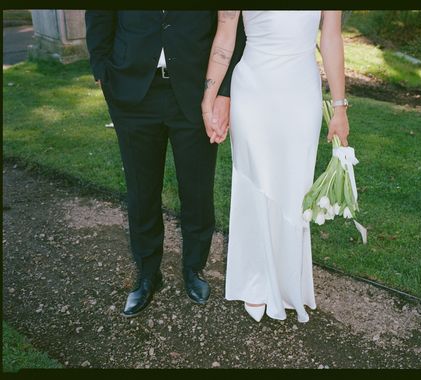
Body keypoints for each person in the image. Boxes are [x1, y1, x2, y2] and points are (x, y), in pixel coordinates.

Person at [85, 11, 245, 317]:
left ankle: (194, 269)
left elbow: (233, 26)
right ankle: (147, 274)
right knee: (141, 191)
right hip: (132, 95)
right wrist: (101, 69)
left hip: (197, 92)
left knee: (197, 191)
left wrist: (223, 92)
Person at [202, 11, 350, 322]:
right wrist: (209, 96)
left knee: (295, 186)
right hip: (253, 89)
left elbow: (331, 37)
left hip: (301, 92)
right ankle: (254, 280)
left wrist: (339, 107)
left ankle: (287, 281)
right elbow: (225, 36)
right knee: (254, 181)